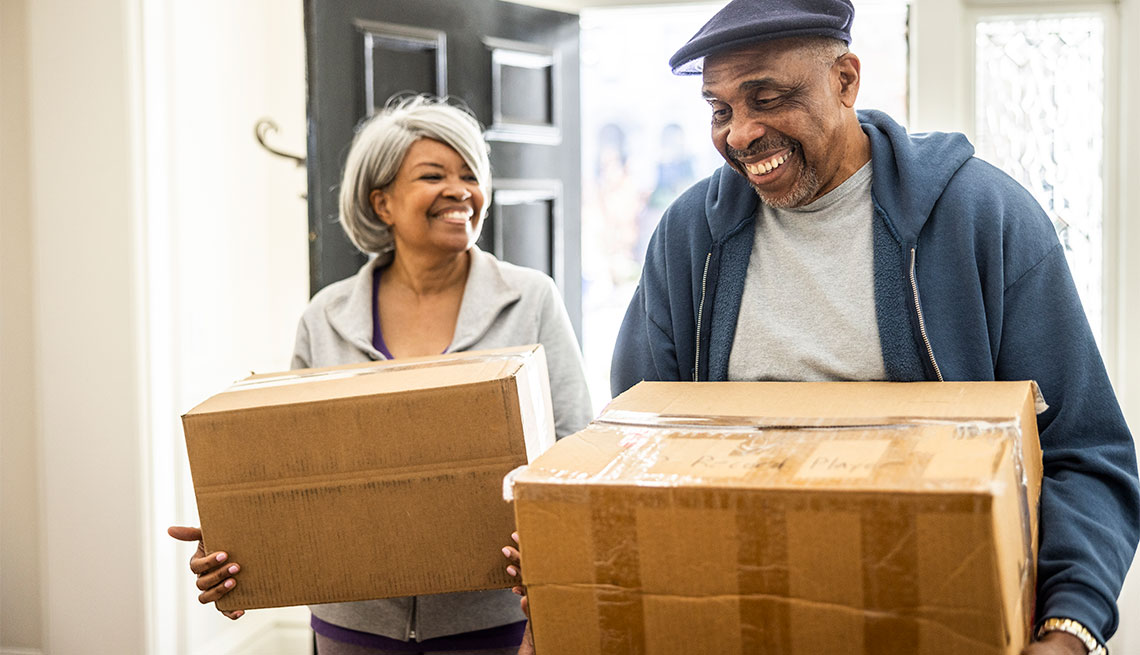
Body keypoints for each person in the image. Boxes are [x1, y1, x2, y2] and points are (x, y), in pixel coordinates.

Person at [609, 1, 1139, 654]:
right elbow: (631, 449)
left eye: (767, 97)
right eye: (719, 110)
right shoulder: (691, 239)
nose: (740, 133)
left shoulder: (984, 218)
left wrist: (1069, 628)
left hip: (946, 623)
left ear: (846, 79)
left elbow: (1085, 456)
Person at [169, 94, 593, 655]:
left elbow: (579, 448)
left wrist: (551, 570)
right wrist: (239, 536)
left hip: (494, 620)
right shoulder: (326, 316)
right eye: (433, 174)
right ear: (382, 202)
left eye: (471, 174)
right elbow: (287, 469)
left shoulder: (530, 299)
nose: (460, 189)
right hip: (354, 627)